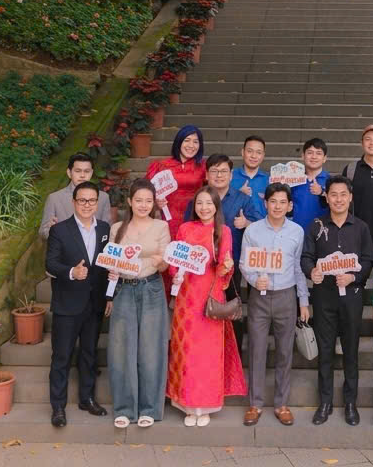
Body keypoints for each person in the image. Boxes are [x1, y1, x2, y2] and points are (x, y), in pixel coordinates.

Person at [166, 186, 246, 426]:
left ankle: (207, 405)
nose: (204, 208)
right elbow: (175, 259)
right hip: (186, 299)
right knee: (187, 351)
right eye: (199, 203)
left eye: (209, 203)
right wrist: (175, 275)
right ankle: (188, 405)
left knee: (208, 354)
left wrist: (226, 266)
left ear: (216, 206)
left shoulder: (223, 231)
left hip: (210, 298)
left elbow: (223, 268)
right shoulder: (185, 228)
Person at [300, 175, 373, 426]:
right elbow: (306, 257)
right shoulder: (316, 225)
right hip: (324, 297)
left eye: (343, 194)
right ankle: (325, 402)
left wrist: (354, 277)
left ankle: (351, 402)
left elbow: (368, 259)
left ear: (350, 197)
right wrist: (312, 271)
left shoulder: (361, 227)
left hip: (352, 297)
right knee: (325, 350)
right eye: (333, 194)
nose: (339, 199)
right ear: (327, 196)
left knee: (351, 349)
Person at [239, 183, 311, 427]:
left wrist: (303, 300)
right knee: (257, 350)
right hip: (259, 297)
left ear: (289, 206)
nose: (277, 206)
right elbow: (243, 263)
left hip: (285, 296)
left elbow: (298, 267)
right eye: (273, 201)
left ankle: (281, 404)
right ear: (265, 203)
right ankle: (255, 404)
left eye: (282, 202)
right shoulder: (253, 231)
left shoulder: (297, 231)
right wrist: (252, 279)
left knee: (284, 352)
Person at [105, 179, 171, 429]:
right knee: (121, 348)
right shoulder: (117, 228)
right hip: (124, 289)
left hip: (151, 288)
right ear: (130, 202)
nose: (143, 205)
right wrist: (112, 270)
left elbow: (165, 263)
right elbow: (110, 258)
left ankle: (149, 408)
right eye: (139, 200)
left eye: (148, 201)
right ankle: (124, 409)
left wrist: (160, 262)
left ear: (154, 203)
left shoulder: (161, 226)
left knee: (151, 348)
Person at [45, 181, 111, 427]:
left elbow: (108, 266)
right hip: (67, 303)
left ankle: (87, 399)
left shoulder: (105, 229)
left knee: (89, 354)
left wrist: (109, 296)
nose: (87, 204)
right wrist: (72, 272)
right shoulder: (59, 230)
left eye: (91, 200)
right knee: (62, 356)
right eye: (82, 200)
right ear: (73, 202)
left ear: (97, 203)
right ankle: (58, 407)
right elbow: (51, 263)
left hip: (95, 303)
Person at [195, 153, 266, 347]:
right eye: (214, 171)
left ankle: (233, 354)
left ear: (231, 175)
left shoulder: (243, 199)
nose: (219, 175)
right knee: (203, 312)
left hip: (230, 266)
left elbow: (262, 227)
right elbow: (187, 228)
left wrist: (247, 222)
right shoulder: (199, 199)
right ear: (206, 174)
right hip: (201, 268)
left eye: (224, 171)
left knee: (230, 311)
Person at [145, 125, 206, 242]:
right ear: (179, 142)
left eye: (195, 142)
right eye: (187, 140)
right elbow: (145, 191)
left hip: (194, 217)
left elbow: (213, 190)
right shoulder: (161, 165)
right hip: (167, 217)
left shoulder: (203, 166)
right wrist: (155, 202)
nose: (191, 145)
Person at [39, 153, 112, 239]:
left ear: (92, 173)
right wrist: (52, 231)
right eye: (78, 171)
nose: (82, 175)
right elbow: (43, 231)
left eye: (86, 171)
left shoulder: (103, 197)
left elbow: (107, 229)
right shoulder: (54, 198)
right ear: (69, 173)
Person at [290, 137, 330, 232]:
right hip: (296, 233)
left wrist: (322, 192)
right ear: (303, 156)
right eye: (310, 152)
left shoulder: (331, 181)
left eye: (318, 153)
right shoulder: (292, 179)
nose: (314, 157)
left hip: (322, 234)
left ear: (324, 158)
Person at [230, 134, 270, 213]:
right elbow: (221, 203)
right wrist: (238, 194)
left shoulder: (269, 179)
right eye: (249, 151)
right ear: (242, 152)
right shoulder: (230, 176)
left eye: (259, 152)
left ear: (263, 155)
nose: (254, 156)